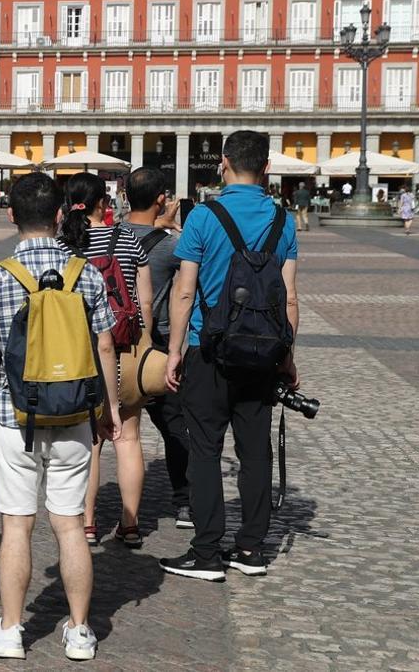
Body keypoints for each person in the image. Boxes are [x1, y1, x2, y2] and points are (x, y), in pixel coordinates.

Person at [0, 172, 121, 662]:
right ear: (60, 216)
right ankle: (79, 631)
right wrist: (109, 409)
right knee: (70, 524)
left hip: (16, 415)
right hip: (75, 413)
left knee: (17, 524)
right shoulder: (86, 274)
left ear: (11, 215)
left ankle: (11, 629)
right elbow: (103, 345)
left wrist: (7, 364)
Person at [161, 130, 299, 582]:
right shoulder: (284, 221)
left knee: (204, 447)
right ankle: (252, 548)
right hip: (261, 354)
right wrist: (288, 357)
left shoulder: (203, 216)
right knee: (255, 450)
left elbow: (184, 291)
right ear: (267, 168)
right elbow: (290, 298)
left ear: (223, 162)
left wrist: (175, 351)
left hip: (208, 348)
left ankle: (206, 553)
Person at [56, 172, 153, 549]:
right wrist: (144, 340)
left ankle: (89, 523)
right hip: (125, 349)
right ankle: (130, 525)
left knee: (91, 442)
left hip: (80, 353)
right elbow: (144, 302)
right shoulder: (128, 239)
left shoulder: (66, 246)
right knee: (128, 438)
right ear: (103, 203)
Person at [122, 168, 192, 529]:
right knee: (174, 423)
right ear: (162, 199)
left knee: (109, 428)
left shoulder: (110, 236)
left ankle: (88, 515)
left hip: (113, 344)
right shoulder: (169, 245)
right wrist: (173, 227)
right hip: (157, 344)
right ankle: (185, 500)